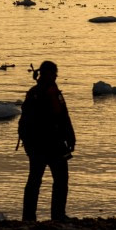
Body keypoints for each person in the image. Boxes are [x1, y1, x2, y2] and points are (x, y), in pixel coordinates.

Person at [17, 60, 76, 221]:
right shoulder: (47, 92)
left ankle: (30, 217)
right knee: (58, 179)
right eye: (54, 73)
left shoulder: (37, 92)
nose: (56, 76)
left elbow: (63, 116)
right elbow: (63, 117)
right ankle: (55, 215)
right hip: (49, 145)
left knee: (37, 181)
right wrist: (70, 137)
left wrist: (70, 136)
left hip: (41, 145)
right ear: (48, 74)